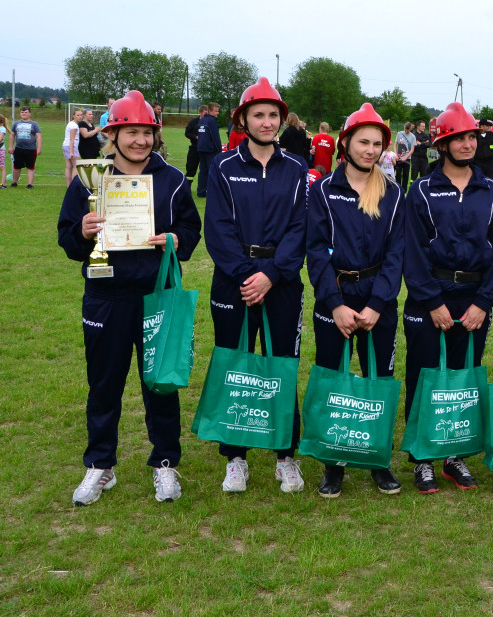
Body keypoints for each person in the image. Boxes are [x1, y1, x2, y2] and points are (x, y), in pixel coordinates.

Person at [57, 91, 201, 505]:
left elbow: (192, 230)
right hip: (105, 296)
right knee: (103, 384)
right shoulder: (92, 177)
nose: (140, 140)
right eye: (131, 132)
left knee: (160, 384)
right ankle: (101, 465)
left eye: (147, 133)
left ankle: (165, 464)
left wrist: (175, 238)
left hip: (156, 295)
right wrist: (82, 232)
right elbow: (67, 237)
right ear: (114, 134)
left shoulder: (172, 179)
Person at [204, 78, 308, 494]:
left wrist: (272, 274)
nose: (266, 122)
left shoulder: (298, 168)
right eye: (258, 114)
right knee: (236, 368)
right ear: (243, 119)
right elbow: (218, 228)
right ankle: (235, 457)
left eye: (273, 115)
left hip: (280, 281)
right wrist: (247, 274)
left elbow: (301, 229)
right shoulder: (223, 166)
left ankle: (286, 456)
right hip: (234, 282)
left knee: (281, 367)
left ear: (282, 120)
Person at [403, 101, 493, 494]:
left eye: (471, 137)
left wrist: (484, 302)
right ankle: (423, 459)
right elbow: (412, 252)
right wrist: (432, 302)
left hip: (475, 298)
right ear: (442, 144)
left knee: (464, 376)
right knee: (425, 376)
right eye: (458, 137)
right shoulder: (422, 191)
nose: (467, 144)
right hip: (432, 298)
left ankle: (454, 455)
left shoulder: (492, 190)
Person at [307, 103, 406, 497]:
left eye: (377, 143)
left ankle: (378, 460)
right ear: (344, 142)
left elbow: (397, 254)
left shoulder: (394, 193)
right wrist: (335, 303)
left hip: (377, 300)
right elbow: (315, 250)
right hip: (336, 298)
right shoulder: (324, 190)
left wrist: (377, 305)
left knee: (377, 381)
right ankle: (333, 464)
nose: (369, 150)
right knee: (333, 379)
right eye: (362, 141)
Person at [11, 105, 42, 188]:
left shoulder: (34, 124)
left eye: (26, 112)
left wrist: (39, 148)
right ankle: (14, 182)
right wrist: (11, 146)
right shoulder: (16, 123)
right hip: (19, 148)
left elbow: (38, 136)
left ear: (30, 114)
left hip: (31, 149)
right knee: (17, 166)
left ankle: (30, 184)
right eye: (22, 112)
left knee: (30, 167)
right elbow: (12, 135)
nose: (24, 113)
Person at [196, 102, 222, 197]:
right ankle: (212, 191)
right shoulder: (212, 121)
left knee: (203, 171)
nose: (217, 113)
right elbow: (215, 137)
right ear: (210, 111)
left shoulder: (202, 120)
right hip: (210, 150)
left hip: (201, 148)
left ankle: (201, 191)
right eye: (216, 111)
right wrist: (219, 150)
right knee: (212, 171)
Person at [184, 105, 205, 182]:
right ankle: (187, 186)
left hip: (205, 150)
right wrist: (195, 137)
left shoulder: (209, 122)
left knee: (204, 170)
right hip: (194, 148)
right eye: (205, 113)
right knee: (191, 169)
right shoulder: (193, 122)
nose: (206, 115)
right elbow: (187, 133)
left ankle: (203, 189)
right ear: (200, 112)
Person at [62, 108, 82, 186]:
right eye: (78, 115)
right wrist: (71, 151)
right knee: (76, 166)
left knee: (68, 167)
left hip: (66, 145)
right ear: (73, 116)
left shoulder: (71, 124)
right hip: (71, 146)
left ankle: (69, 185)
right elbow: (72, 138)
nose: (80, 117)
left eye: (80, 115)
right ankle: (73, 186)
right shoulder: (73, 126)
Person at [394, 122, 415, 190]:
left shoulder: (412, 136)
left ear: (410, 129)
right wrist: (396, 154)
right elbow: (395, 145)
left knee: (406, 175)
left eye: (407, 130)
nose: (406, 131)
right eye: (405, 129)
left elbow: (412, 149)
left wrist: (405, 158)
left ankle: (404, 190)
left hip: (407, 159)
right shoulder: (399, 134)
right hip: (399, 158)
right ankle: (398, 188)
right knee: (398, 174)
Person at [0, 114, 7, 189]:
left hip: (1, 149)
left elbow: (0, 139)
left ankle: (3, 184)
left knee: (2, 166)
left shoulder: (2, 129)